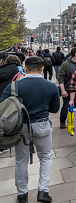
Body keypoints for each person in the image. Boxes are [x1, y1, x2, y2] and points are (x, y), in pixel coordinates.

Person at [0, 57, 60, 203]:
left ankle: (22, 194)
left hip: (20, 127)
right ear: (41, 69)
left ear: (25, 68)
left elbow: (3, 106)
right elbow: (55, 108)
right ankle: (43, 192)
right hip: (42, 125)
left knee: (21, 160)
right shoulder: (50, 86)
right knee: (45, 157)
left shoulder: (13, 86)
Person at [58, 47, 76, 129]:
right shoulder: (65, 64)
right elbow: (60, 77)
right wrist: (62, 90)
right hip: (68, 89)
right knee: (67, 107)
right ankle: (62, 122)